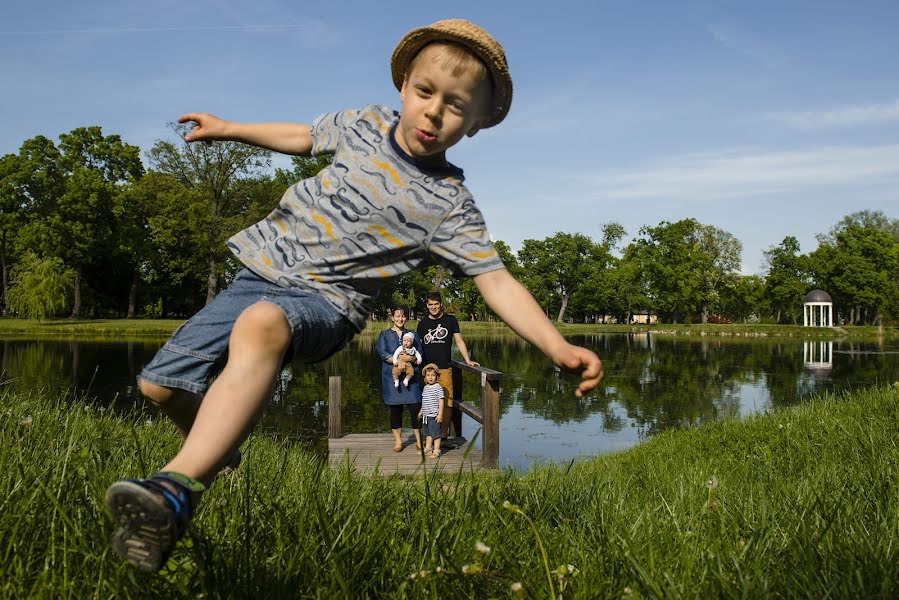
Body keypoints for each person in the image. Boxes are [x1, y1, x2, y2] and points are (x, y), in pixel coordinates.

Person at [104, 17, 603, 573]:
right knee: (159, 385)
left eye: (457, 105)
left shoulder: (449, 206)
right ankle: (218, 450)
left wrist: (556, 345)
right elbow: (301, 137)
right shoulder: (363, 124)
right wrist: (229, 128)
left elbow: (496, 280)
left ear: (480, 123)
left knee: (262, 325)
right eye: (425, 92)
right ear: (403, 87)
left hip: (326, 303)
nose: (435, 111)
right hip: (258, 273)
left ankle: (176, 489)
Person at [416, 291, 475, 443]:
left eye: (436, 304)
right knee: (427, 403)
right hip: (426, 370)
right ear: (427, 306)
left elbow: (459, 341)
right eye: (431, 305)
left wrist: (467, 359)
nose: (434, 307)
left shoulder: (450, 320)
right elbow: (416, 346)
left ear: (441, 304)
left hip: (444, 369)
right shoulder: (422, 324)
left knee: (448, 403)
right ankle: (428, 434)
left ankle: (442, 435)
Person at [376, 308, 423, 452]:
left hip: (411, 378)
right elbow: (383, 353)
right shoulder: (384, 335)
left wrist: (410, 358)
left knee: (415, 408)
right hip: (392, 378)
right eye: (397, 316)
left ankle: (419, 441)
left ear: (405, 318)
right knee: (395, 410)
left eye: (403, 316)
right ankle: (398, 442)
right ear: (392, 318)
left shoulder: (412, 334)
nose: (400, 319)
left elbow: (420, 352)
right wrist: (397, 361)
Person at [418, 364, 445, 458]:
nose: (430, 377)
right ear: (425, 377)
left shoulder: (438, 388)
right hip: (426, 416)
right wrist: (421, 411)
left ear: (437, 377)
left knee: (435, 434)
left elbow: (441, 401)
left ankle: (437, 450)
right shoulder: (425, 388)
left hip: (434, 415)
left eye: (433, 375)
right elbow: (424, 401)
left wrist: (440, 414)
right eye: (428, 375)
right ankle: (428, 448)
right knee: (428, 433)